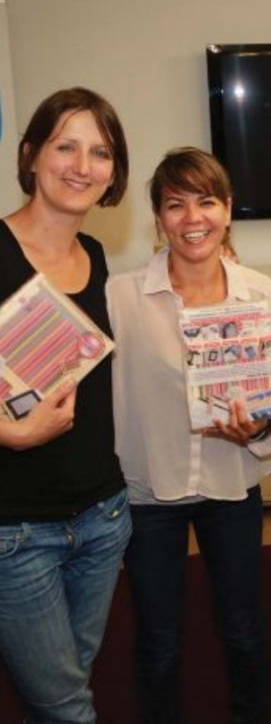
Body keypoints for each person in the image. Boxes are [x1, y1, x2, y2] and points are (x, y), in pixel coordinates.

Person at [107, 147, 271, 724]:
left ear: (227, 210)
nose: (192, 219)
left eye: (206, 202)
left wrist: (258, 428)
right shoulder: (121, 296)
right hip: (149, 489)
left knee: (243, 626)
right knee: (159, 637)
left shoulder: (263, 295)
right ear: (158, 218)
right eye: (175, 205)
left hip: (231, 484)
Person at [0, 87, 132, 723]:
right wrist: (13, 435)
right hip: (16, 529)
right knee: (67, 707)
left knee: (65, 685)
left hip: (103, 516)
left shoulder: (95, 256)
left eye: (100, 152)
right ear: (31, 155)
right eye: (66, 147)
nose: (83, 166)